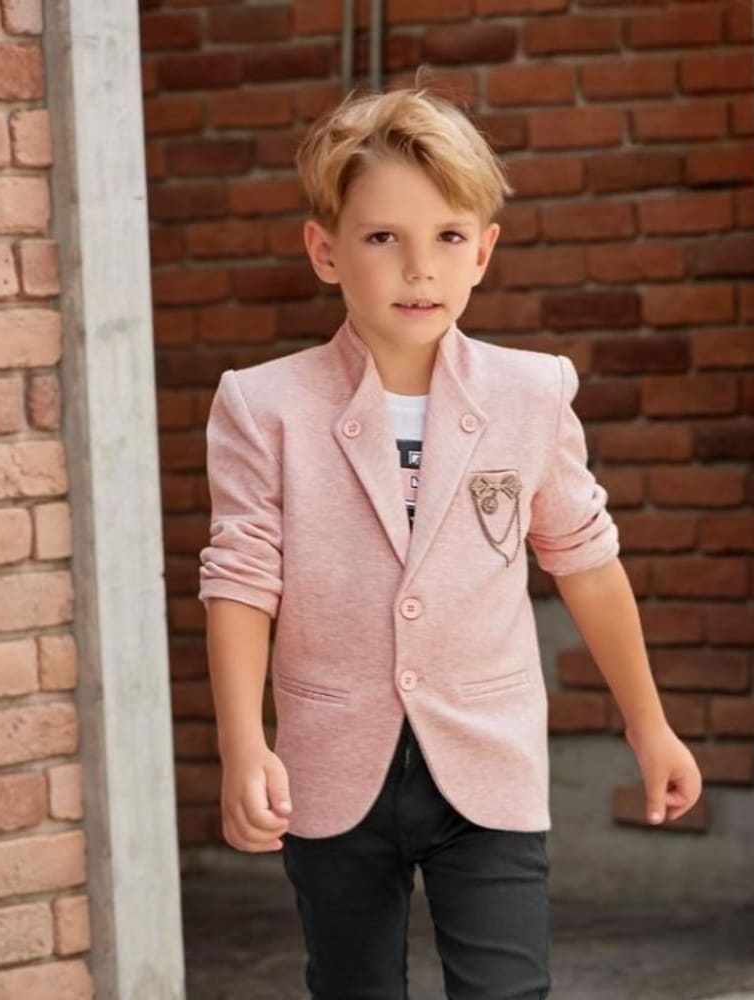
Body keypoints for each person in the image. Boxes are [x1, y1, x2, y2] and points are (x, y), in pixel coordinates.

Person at [198, 82, 702, 1000]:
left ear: (484, 253)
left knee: (509, 991)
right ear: (325, 250)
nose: (419, 269)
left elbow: (587, 563)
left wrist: (649, 723)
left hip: (490, 761)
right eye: (383, 238)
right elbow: (240, 578)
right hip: (331, 767)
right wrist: (244, 742)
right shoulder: (262, 405)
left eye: (447, 237)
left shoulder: (533, 393)